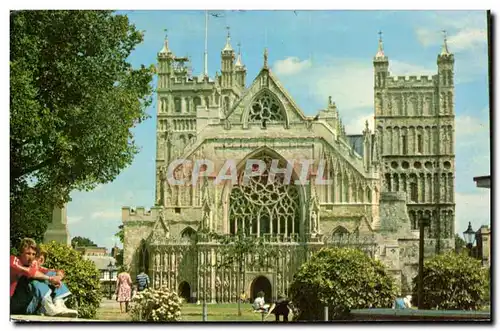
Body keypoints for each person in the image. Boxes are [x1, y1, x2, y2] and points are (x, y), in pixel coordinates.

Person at [10, 238, 78, 317]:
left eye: (33, 254)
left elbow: (56, 271)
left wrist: (57, 277)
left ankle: (58, 304)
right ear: (21, 253)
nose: (31, 257)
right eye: (28, 253)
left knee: (50, 274)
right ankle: (49, 307)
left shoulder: (33, 266)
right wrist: (49, 279)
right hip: (13, 304)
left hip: (28, 307)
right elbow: (30, 272)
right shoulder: (13, 260)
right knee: (30, 279)